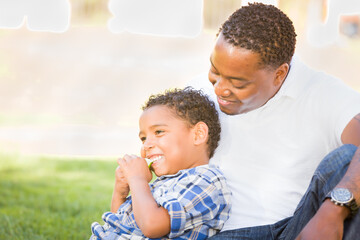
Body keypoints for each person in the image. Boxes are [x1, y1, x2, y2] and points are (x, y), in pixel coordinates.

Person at [188, 3, 360, 239]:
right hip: (216, 233)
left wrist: (333, 211)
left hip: (294, 229)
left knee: (346, 159)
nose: (220, 89)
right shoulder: (197, 93)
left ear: (279, 74)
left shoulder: (324, 94)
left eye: (238, 83)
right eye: (215, 71)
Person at [89, 88, 231, 240]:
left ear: (198, 134)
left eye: (158, 132)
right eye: (143, 138)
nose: (146, 145)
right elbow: (121, 225)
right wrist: (120, 192)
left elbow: (152, 226)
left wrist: (137, 180)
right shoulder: (161, 185)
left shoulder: (206, 182)